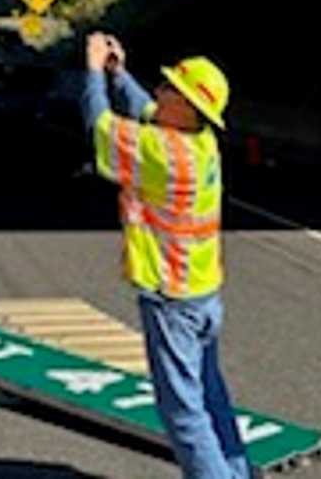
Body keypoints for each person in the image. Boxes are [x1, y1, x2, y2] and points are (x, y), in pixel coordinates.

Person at [82, 31, 251, 479]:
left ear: (187, 106)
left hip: (171, 296)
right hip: (203, 292)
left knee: (183, 413)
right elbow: (146, 110)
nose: (159, 91)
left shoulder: (162, 152)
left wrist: (96, 71)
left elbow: (101, 125)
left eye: (169, 87)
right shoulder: (200, 142)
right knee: (211, 397)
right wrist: (121, 75)